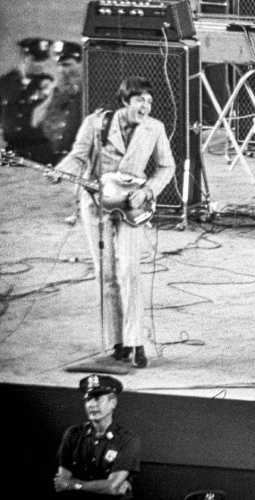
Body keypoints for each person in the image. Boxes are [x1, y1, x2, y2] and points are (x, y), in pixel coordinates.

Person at [50, 76, 175, 367]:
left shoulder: (154, 129)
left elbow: (167, 167)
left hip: (131, 206)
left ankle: (136, 342)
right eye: (139, 100)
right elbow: (78, 157)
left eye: (148, 101)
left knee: (130, 270)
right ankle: (115, 342)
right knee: (105, 275)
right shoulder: (97, 123)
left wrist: (146, 191)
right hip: (96, 204)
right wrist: (60, 170)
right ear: (125, 101)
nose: (145, 106)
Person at [54, 375, 141, 500]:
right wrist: (102, 487)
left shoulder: (127, 439)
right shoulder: (73, 434)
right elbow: (61, 484)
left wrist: (75, 485)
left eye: (98, 399)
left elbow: (112, 486)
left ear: (113, 402)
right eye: (88, 399)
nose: (92, 405)